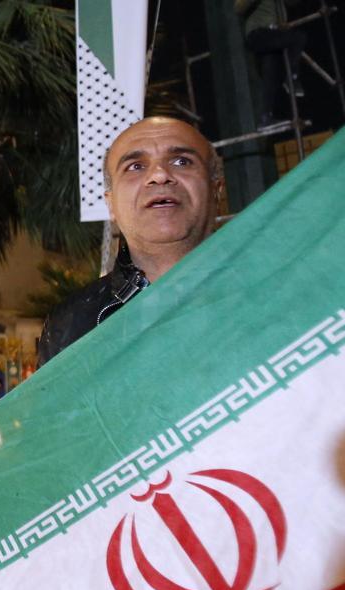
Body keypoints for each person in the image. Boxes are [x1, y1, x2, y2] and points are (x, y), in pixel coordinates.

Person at [38, 116, 225, 366]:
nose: (159, 175)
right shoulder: (70, 324)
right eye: (135, 166)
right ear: (110, 204)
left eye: (182, 161)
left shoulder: (277, 283)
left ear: (217, 189)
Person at [236, 0, 307, 127]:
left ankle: (265, 117)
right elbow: (238, 8)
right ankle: (291, 78)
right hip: (258, 33)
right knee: (298, 38)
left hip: (271, 33)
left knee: (270, 75)